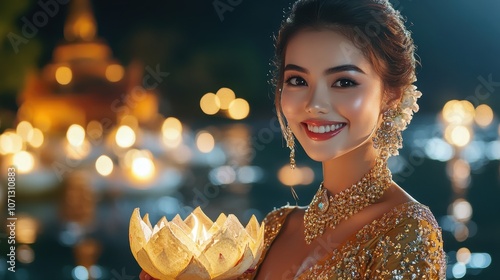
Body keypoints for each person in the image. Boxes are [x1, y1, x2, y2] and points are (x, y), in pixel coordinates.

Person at [140, 0, 446, 279]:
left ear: (392, 95)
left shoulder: (406, 231)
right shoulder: (275, 228)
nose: (314, 103)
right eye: (298, 80)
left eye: (343, 82)